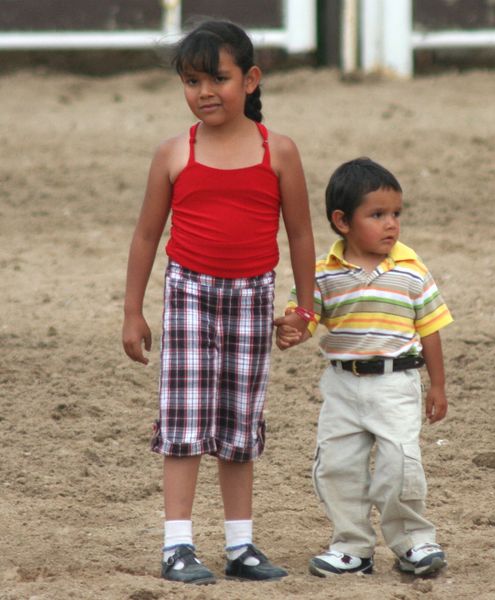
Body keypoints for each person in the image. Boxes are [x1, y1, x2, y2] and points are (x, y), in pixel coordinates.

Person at [122, 19, 315, 585]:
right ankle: (177, 545)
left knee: (239, 423)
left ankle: (240, 545)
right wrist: (132, 311)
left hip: (254, 299)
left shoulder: (279, 151)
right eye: (191, 80)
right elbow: (145, 236)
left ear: (251, 80)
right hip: (188, 296)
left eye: (219, 78)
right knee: (184, 420)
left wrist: (305, 310)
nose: (204, 92)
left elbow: (300, 234)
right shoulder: (172, 154)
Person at [276, 157, 453, 578]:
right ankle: (352, 546)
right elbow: (306, 318)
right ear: (342, 221)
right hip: (342, 387)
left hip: (396, 384)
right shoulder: (321, 273)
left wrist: (438, 386)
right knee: (337, 467)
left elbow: (431, 330)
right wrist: (292, 331)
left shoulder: (411, 271)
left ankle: (413, 542)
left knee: (400, 465)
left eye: (396, 214)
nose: (391, 224)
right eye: (377, 215)